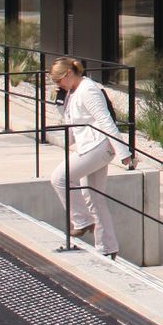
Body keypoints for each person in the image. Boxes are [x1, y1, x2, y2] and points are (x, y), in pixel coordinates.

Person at [48, 56, 121, 258]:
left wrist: (125, 152)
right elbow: (71, 121)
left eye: (58, 80)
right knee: (94, 197)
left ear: (69, 74)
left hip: (99, 145)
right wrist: (60, 100)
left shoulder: (88, 90)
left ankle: (82, 221)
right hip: (90, 145)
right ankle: (108, 248)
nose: (57, 84)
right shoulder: (72, 91)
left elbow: (106, 121)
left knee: (60, 178)